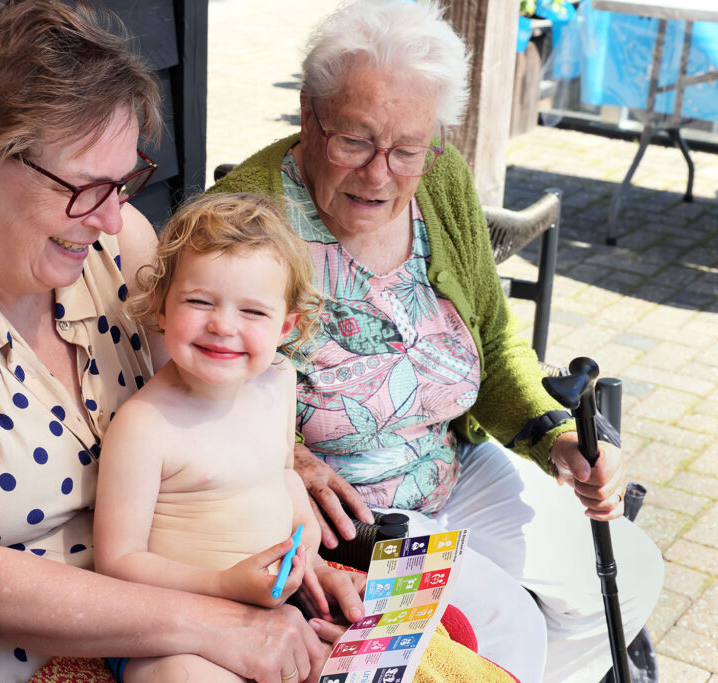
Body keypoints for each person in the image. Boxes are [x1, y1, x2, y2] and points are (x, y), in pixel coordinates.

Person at [0, 2, 354, 681]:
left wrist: (285, 535)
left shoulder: (111, 241)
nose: (109, 214)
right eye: (82, 186)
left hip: (174, 617)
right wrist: (223, 622)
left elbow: (209, 405)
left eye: (123, 181)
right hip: (9, 660)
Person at [209, 1, 664, 681]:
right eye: (355, 140)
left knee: (627, 571)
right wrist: (286, 456)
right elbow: (195, 380)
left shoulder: (443, 181)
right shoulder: (247, 215)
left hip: (451, 461)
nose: (379, 173)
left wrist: (557, 437)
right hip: (353, 512)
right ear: (309, 114)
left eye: (406, 149)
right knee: (503, 627)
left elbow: (494, 336)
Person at [93, 193, 359, 682]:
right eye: (198, 301)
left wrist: (314, 563)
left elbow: (282, 477)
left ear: (285, 325)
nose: (223, 326)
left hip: (277, 605)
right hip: (174, 630)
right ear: (161, 308)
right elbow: (116, 562)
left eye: (253, 313)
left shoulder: (277, 381)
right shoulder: (144, 425)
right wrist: (221, 584)